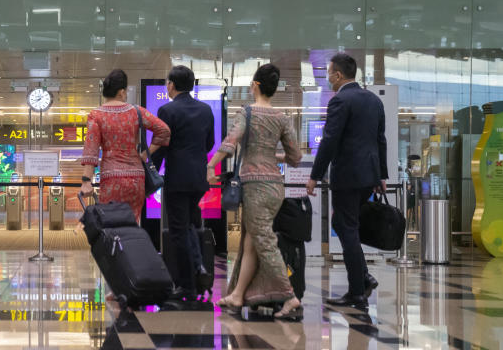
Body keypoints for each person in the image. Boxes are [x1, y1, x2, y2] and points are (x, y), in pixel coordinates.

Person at [206, 64, 303, 320]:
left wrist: (211, 164)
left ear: (256, 86)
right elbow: (296, 157)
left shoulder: (248, 113)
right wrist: (273, 154)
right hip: (275, 186)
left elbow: (231, 141)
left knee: (265, 243)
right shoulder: (282, 118)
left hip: (255, 188)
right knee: (251, 241)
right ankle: (238, 294)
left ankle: (290, 296)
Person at [306, 53, 387, 310]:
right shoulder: (373, 100)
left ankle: (357, 290)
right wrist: (381, 175)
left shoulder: (340, 100)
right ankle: (363, 276)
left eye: (329, 73)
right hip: (368, 176)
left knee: (347, 227)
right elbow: (380, 140)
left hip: (348, 176)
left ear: (338, 75)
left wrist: (314, 175)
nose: (328, 77)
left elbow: (329, 141)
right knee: (343, 224)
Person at [152, 65, 215, 300]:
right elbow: (209, 144)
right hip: (198, 178)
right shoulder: (206, 110)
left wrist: (152, 175)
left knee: (179, 230)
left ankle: (186, 285)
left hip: (177, 178)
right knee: (190, 226)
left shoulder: (167, 110)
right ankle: (199, 271)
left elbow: (161, 146)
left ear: (171, 85)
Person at [79, 69, 170, 221]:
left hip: (111, 178)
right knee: (133, 222)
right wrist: (146, 154)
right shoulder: (136, 111)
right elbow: (164, 130)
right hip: (136, 178)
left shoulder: (96, 115)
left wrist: (86, 181)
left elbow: (91, 149)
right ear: (121, 92)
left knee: (111, 223)